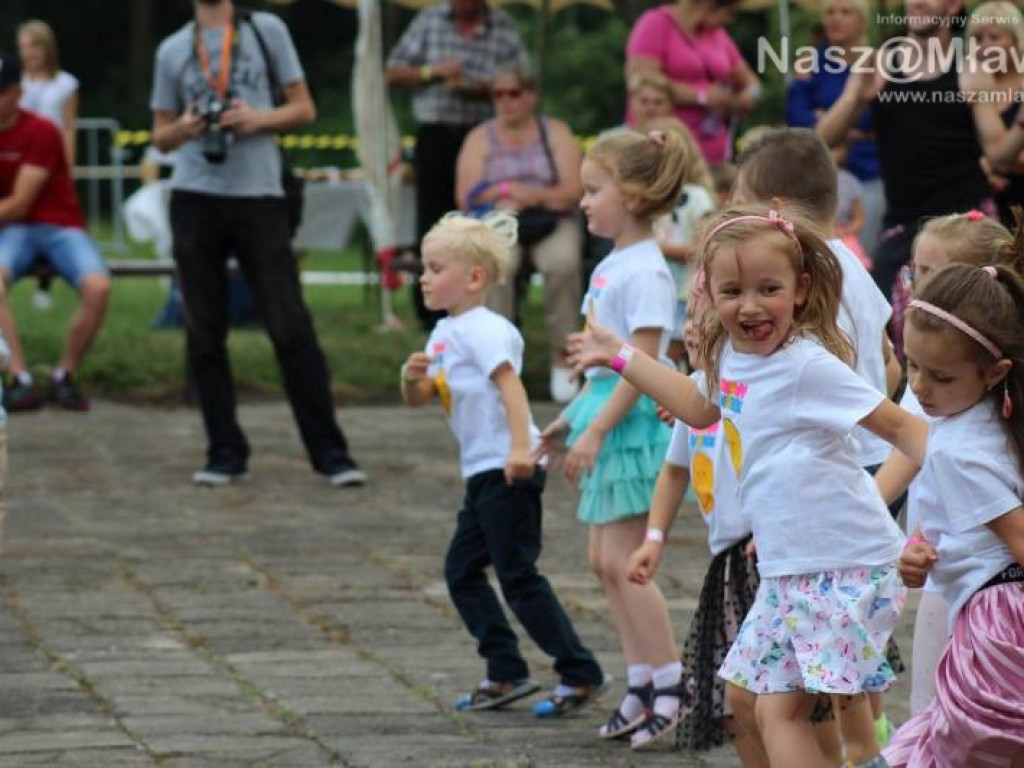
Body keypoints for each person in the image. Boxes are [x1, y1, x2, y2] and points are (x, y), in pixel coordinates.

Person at [567, 204, 930, 768]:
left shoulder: (807, 364)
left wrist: (948, 509)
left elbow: (905, 429)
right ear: (709, 293)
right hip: (789, 567)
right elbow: (695, 406)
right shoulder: (731, 358)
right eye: (732, 290)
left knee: (779, 712)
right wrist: (619, 355)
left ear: (801, 288)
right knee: (740, 700)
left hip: (843, 562)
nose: (751, 305)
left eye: (768, 288)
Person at [150, 0, 365, 487]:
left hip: (259, 195)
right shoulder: (172, 50)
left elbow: (304, 108)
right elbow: (160, 135)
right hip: (194, 195)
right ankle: (223, 451)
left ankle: (330, 452)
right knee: (204, 330)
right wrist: (184, 128)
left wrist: (257, 120)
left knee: (290, 324)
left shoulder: (267, 30)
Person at [399, 211, 604, 716]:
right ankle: (506, 669)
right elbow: (422, 397)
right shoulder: (444, 333)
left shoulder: (486, 329)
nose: (423, 277)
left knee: (516, 575)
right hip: (482, 470)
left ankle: (578, 673)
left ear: (474, 277)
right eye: (424, 267)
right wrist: (411, 376)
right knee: (463, 572)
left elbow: (511, 388)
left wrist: (519, 450)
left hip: (508, 467)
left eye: (434, 267)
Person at [533, 128, 687, 746]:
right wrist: (568, 421)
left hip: (630, 430)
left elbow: (641, 366)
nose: (584, 201)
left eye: (596, 190)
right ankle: (641, 678)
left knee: (627, 565)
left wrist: (594, 430)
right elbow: (602, 366)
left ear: (637, 195)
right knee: (604, 561)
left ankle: (671, 682)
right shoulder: (615, 264)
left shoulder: (647, 271)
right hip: (604, 420)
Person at [873, 264, 1024, 766]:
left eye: (940, 376)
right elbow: (966, 521)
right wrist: (919, 549)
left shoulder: (956, 450)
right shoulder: (989, 416)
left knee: (967, 747)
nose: (919, 387)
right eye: (911, 365)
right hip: (990, 605)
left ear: (995, 371)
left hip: (996, 625)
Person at [817, 0, 1002, 302]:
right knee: (888, 315)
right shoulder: (879, 65)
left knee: (976, 318)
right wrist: (855, 99)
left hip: (966, 220)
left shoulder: (970, 68)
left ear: (954, 6)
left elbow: (998, 153)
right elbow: (822, 142)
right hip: (904, 224)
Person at [386, 0, 529, 331]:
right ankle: (433, 310)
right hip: (436, 135)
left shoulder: (503, 27)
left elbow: (523, 80)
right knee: (434, 223)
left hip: (482, 136)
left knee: (481, 222)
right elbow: (392, 70)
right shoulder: (430, 20)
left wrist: (481, 89)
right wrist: (432, 72)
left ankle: (486, 303)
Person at [454, 66, 584, 404]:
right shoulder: (480, 137)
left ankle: (564, 354)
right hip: (500, 222)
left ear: (531, 96)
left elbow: (574, 189)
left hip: (551, 218)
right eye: (498, 94)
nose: (506, 101)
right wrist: (504, 193)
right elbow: (465, 194)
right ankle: (500, 359)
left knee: (563, 263)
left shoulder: (555, 133)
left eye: (514, 93)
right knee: (498, 268)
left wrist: (534, 196)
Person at [0, 51, 110, 413]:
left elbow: (19, 202)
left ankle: (65, 375)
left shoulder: (42, 130)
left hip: (58, 226)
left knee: (98, 286)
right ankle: (19, 378)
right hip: (12, 231)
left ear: (16, 92)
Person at [785, 0, 885, 258]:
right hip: (820, 175)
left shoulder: (876, 63)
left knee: (865, 254)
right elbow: (798, 123)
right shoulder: (810, 61)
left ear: (862, 21)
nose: (835, 18)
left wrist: (827, 117)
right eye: (830, 12)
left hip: (869, 170)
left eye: (845, 12)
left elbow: (884, 120)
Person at [625, 0, 761, 166]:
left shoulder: (717, 34)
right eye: (730, 11)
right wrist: (702, 96)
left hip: (713, 153)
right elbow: (642, 81)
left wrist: (748, 96)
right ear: (708, 5)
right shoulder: (655, 24)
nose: (731, 20)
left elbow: (750, 80)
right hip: (665, 150)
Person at [648, 117, 716, 367]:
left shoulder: (697, 198)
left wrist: (659, 249)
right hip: (653, 288)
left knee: (675, 350)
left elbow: (702, 247)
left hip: (682, 289)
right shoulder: (645, 197)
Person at [963, 1, 1024, 229]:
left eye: (995, 37)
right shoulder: (967, 87)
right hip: (981, 210)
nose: (986, 46)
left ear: (1016, 40)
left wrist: (992, 163)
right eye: (978, 39)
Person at [17, 20, 78, 167]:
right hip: (20, 158)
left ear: (47, 48)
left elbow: (68, 129)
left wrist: (68, 167)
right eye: (23, 47)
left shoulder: (66, 83)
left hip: (52, 158)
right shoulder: (13, 83)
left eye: (34, 46)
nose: (28, 53)